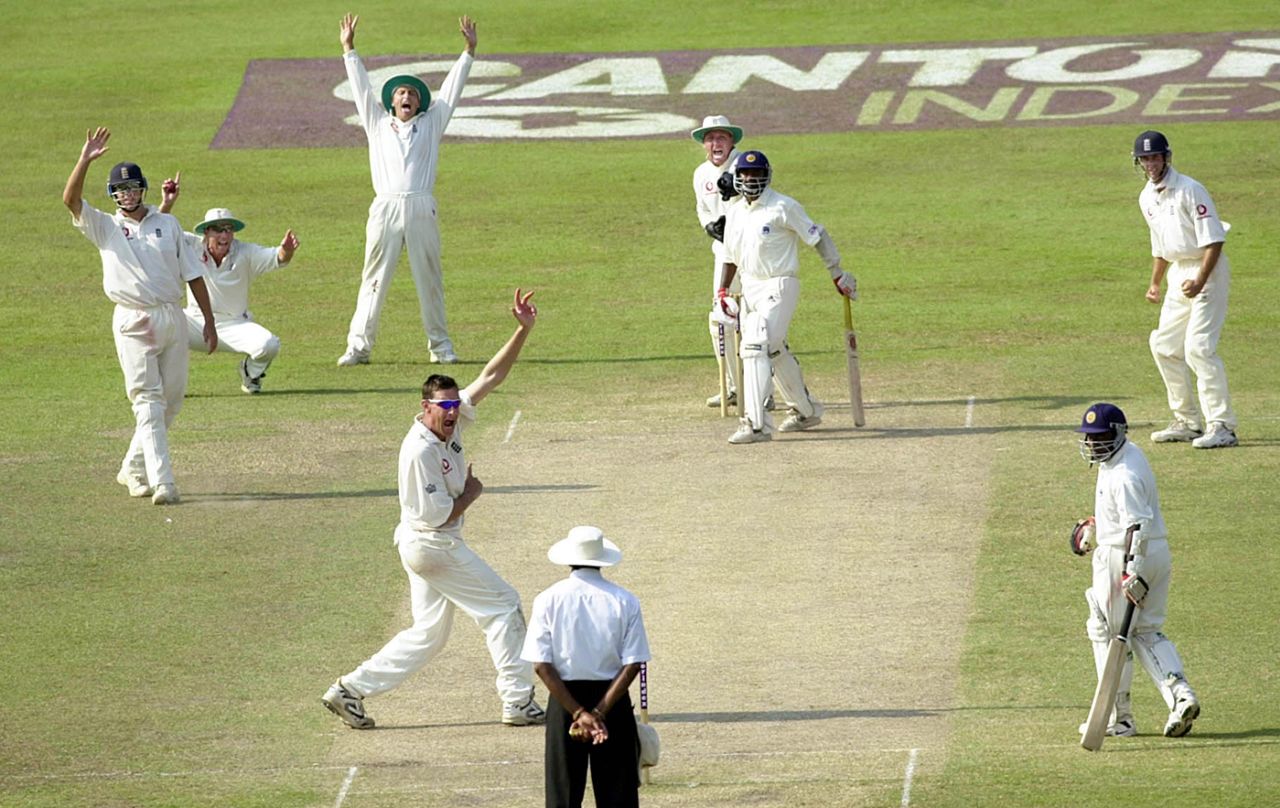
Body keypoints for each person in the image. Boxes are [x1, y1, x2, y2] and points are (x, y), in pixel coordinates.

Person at [322, 289, 546, 730]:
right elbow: (440, 515)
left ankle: (349, 690)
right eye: (442, 407)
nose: (450, 412)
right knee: (503, 606)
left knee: (428, 635)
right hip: (431, 543)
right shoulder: (419, 451)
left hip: (428, 543)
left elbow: (490, 376)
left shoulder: (454, 418)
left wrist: (523, 330)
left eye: (452, 404)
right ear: (425, 408)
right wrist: (473, 492)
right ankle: (518, 702)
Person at [62, 127, 217, 506]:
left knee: (172, 399)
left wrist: (209, 322)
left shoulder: (167, 224)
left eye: (132, 188)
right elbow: (70, 200)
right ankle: (164, 482)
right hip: (134, 320)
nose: (127, 195)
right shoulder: (106, 227)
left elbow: (192, 273)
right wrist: (84, 159)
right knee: (147, 401)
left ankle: (133, 467)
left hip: (171, 316)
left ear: (142, 189)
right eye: (120, 190)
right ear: (113, 195)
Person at [335, 11, 477, 368]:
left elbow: (451, 91)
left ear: (419, 103)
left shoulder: (432, 123)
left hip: (421, 206)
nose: (406, 97)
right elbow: (361, 90)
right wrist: (349, 49)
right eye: (400, 93)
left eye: (412, 93)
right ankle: (358, 347)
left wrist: (468, 52)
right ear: (392, 102)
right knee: (374, 278)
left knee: (429, 277)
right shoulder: (377, 123)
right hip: (384, 207)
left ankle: (440, 347)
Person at [1072, 402, 1200, 739]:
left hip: (1127, 556)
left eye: (1099, 438)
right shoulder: (1125, 456)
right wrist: (1097, 525)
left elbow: (1137, 524)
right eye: (1089, 439)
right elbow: (1129, 517)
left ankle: (1118, 717)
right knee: (1146, 631)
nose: (1093, 445)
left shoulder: (1125, 474)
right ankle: (1181, 696)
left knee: (1104, 627)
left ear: (1116, 434)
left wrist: (1132, 572)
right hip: (1155, 552)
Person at [716, 150, 858, 444]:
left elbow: (817, 236)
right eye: (745, 175)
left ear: (766, 177)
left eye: (756, 175)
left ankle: (756, 425)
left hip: (780, 284)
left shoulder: (783, 206)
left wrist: (837, 272)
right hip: (749, 285)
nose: (751, 180)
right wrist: (722, 291)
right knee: (774, 348)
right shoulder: (734, 212)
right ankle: (807, 411)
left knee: (755, 344)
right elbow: (729, 256)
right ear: (738, 178)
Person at [522, 526, 651, 808]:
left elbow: (542, 666)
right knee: (618, 795)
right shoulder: (625, 600)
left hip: (564, 702)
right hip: (612, 703)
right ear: (601, 559)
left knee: (562, 797)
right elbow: (633, 664)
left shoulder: (548, 599)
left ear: (569, 559)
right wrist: (599, 712)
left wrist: (578, 713)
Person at [1134, 130, 1237, 449]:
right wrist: (1154, 283)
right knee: (1164, 345)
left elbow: (1215, 240)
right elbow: (1160, 247)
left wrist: (1202, 279)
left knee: (1198, 347)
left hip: (1207, 268)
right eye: (1145, 158)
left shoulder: (1191, 190)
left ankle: (1222, 425)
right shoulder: (1146, 197)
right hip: (1179, 273)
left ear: (1167, 156)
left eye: (1155, 156)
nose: (1151, 163)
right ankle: (1188, 421)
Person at [158, 176, 299, 394]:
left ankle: (250, 374)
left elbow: (278, 258)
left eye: (228, 230)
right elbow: (159, 231)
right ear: (206, 232)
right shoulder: (190, 245)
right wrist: (167, 203)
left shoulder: (245, 252)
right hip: (195, 323)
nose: (224, 235)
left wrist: (287, 249)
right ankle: (168, 385)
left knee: (269, 345)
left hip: (235, 325)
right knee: (159, 321)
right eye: (218, 230)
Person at [692, 115, 744, 409]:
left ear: (732, 141)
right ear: (704, 144)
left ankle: (764, 391)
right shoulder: (700, 173)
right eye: (710, 139)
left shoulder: (744, 163)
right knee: (720, 319)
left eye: (721, 138)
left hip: (750, 254)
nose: (716, 143)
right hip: (722, 254)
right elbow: (702, 208)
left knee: (752, 321)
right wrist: (709, 226)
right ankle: (734, 386)